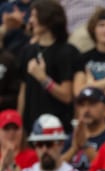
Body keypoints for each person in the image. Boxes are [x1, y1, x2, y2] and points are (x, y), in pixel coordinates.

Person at [18, 0, 82, 134]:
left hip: (59, 129)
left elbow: (67, 96)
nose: (30, 20)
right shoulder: (27, 51)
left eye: (34, 16)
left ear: (48, 18)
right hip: (31, 127)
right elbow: (23, 91)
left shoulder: (68, 52)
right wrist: (20, 124)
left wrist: (43, 79)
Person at [62, 87, 105, 171]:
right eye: (82, 105)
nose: (86, 110)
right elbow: (55, 170)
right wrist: (74, 149)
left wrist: (85, 146)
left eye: (92, 104)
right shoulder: (72, 138)